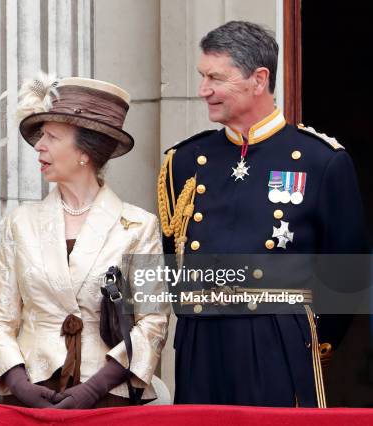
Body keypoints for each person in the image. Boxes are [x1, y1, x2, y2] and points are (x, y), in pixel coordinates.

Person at [158, 21, 369, 407]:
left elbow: (349, 271)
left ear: (259, 79)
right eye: (202, 77)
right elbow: (175, 262)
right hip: (201, 343)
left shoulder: (320, 160)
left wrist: (305, 337)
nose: (204, 90)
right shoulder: (184, 161)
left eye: (216, 78)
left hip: (279, 344)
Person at [0, 75, 168, 408]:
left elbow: (152, 321)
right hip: (32, 389)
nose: (39, 146)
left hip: (108, 394)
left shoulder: (140, 226)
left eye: (52, 137)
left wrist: (94, 389)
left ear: (85, 151)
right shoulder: (20, 223)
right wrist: (18, 383)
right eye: (41, 137)